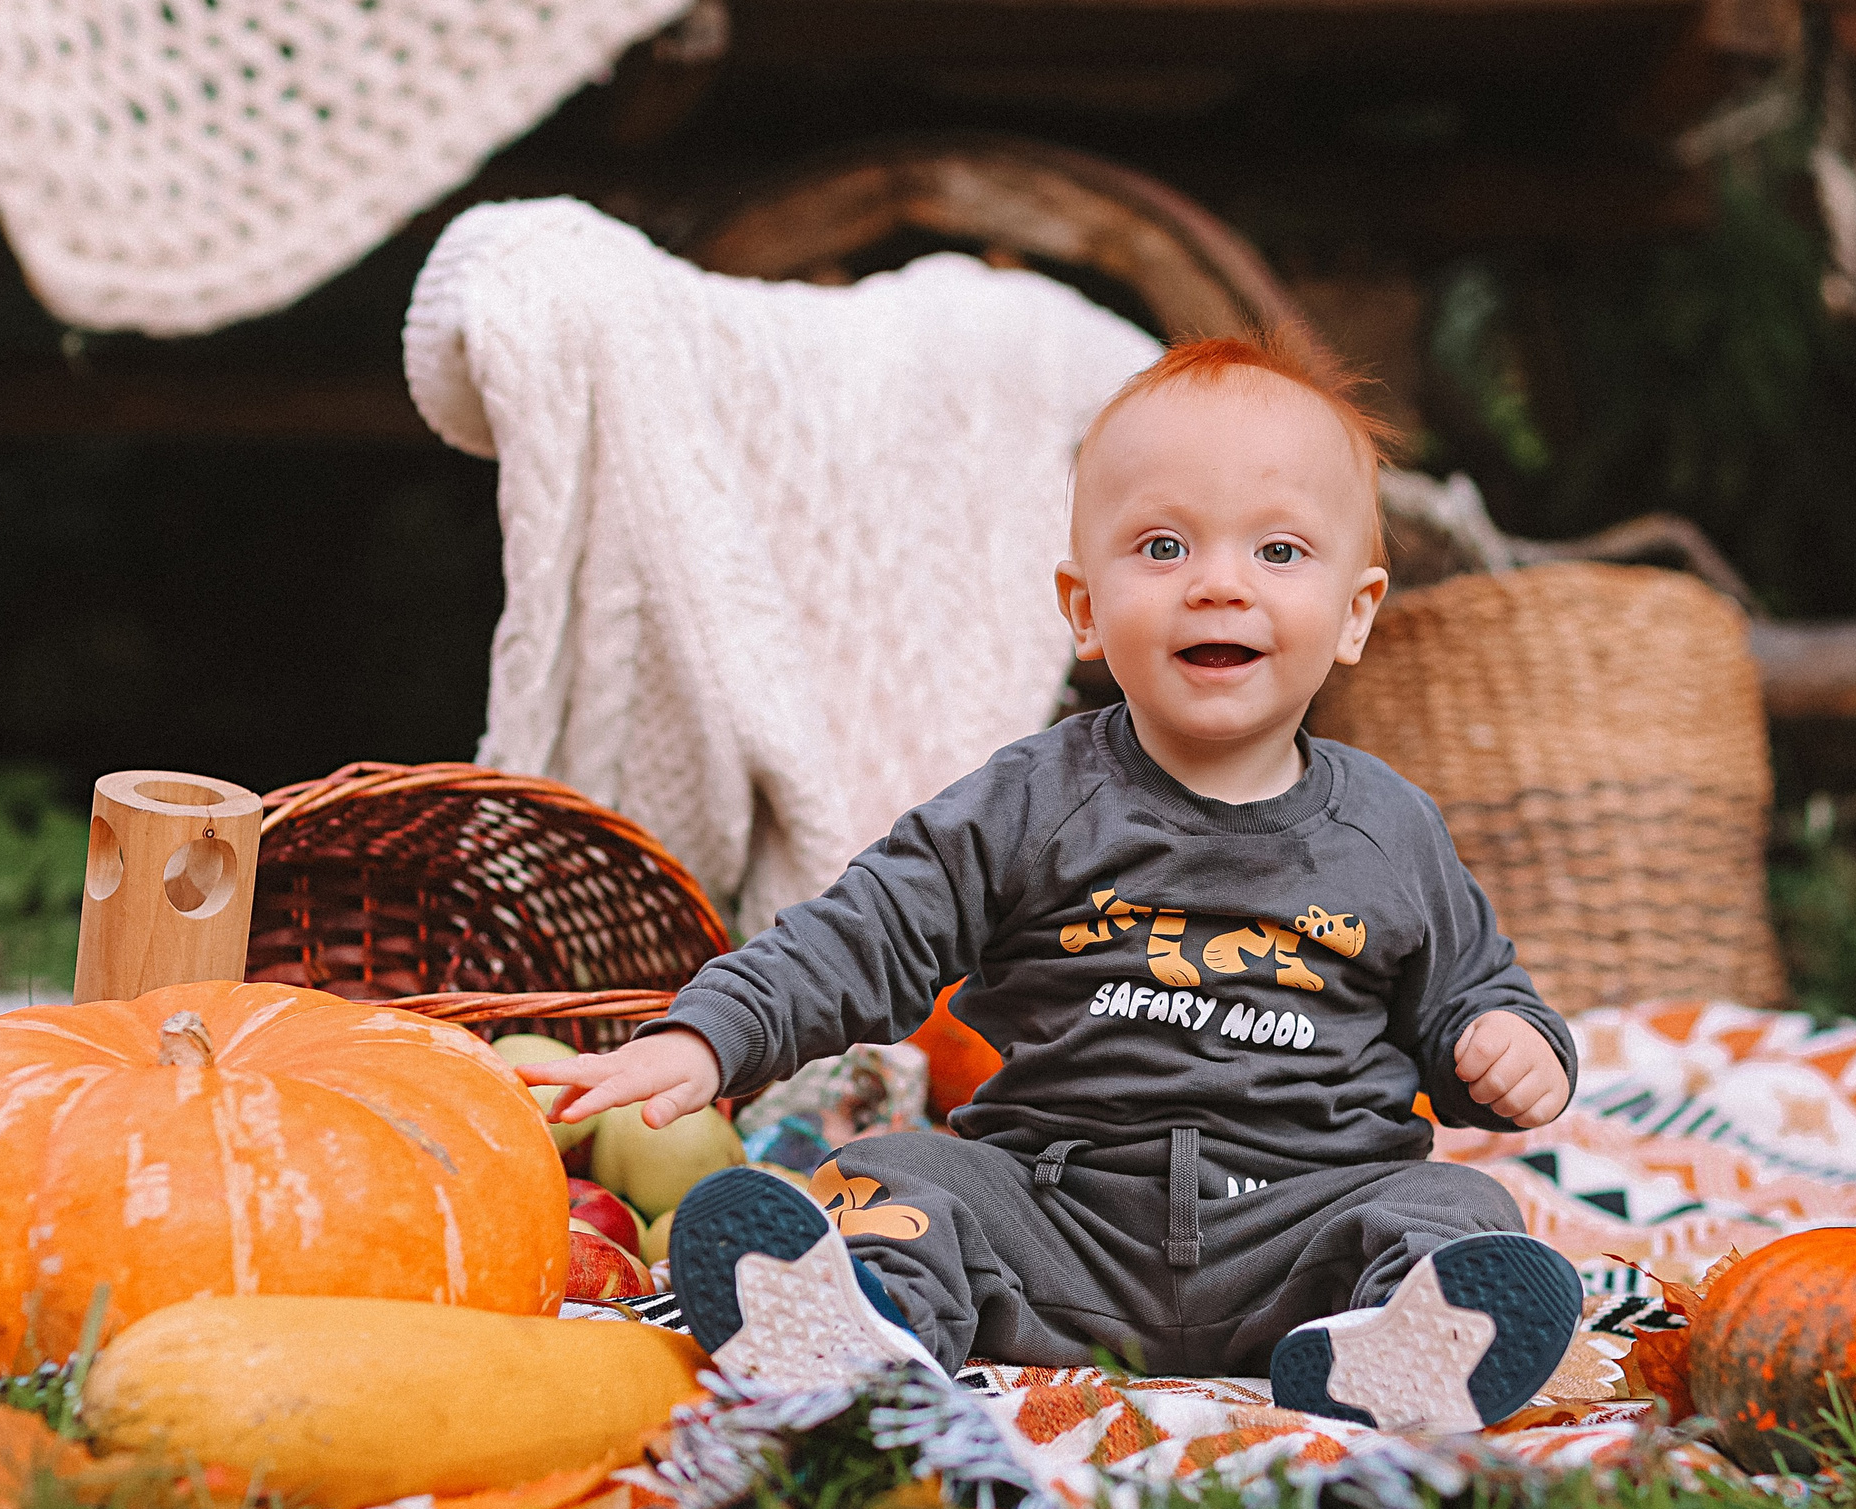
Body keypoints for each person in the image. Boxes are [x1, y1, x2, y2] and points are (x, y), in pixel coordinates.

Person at [525, 327, 1583, 1431]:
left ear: (1354, 612)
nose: (1218, 585)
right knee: (889, 1172)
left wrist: (1506, 1048)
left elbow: (1472, 991)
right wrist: (710, 1033)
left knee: (1456, 1204)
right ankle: (865, 1329)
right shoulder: (1034, 800)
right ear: (1083, 607)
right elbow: (869, 929)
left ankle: (1392, 1352)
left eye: (1277, 553)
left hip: (1308, 1231)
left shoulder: (1387, 828)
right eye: (1164, 547)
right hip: (1059, 1219)